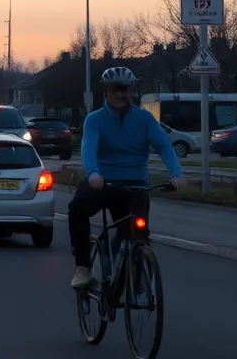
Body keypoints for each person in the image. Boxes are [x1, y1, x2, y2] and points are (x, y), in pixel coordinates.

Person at [68, 66, 186, 288]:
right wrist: (93, 173)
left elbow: (163, 146)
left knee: (137, 234)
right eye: (116, 90)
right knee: (76, 210)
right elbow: (88, 149)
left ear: (132, 91)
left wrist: (176, 174)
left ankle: (137, 280)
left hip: (134, 185)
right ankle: (83, 267)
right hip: (103, 182)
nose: (121, 95)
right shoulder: (95, 120)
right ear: (106, 92)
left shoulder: (145, 119)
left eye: (126, 89)